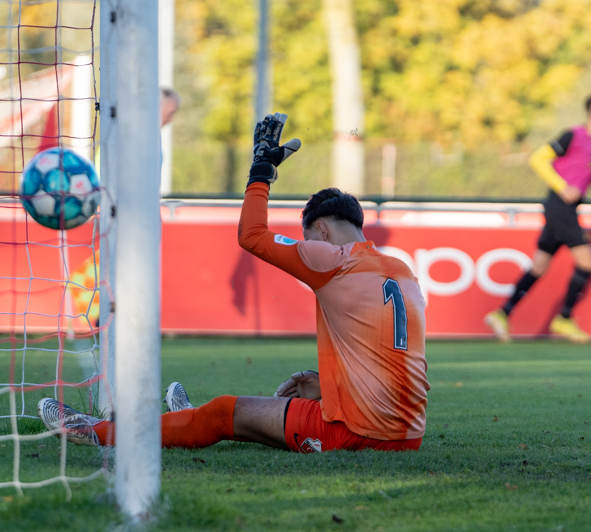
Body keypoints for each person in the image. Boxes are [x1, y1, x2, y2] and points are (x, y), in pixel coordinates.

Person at [39, 113, 430, 453]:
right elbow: (389, 361)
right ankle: (189, 420)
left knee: (224, 412)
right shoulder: (401, 271)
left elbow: (252, 235)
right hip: (408, 433)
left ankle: (95, 432)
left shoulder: (331, 258)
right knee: (246, 413)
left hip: (357, 434)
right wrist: (327, 389)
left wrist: (262, 170)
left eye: (309, 238)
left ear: (322, 231)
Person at [484, 100, 591, 344]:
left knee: (539, 265)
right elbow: (538, 158)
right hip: (559, 205)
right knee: (587, 261)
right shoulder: (573, 135)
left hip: (568, 207)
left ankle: (502, 313)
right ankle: (564, 317)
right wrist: (562, 186)